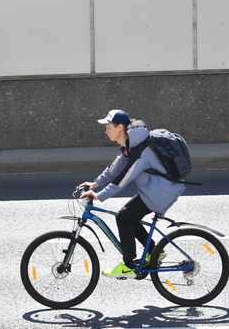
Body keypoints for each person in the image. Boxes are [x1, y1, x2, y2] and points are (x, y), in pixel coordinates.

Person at [78, 110, 185, 278]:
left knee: (123, 217)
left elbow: (122, 179)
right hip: (154, 189)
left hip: (161, 192)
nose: (105, 132)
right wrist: (95, 184)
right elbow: (114, 169)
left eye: (108, 128)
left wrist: (99, 195)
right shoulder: (130, 146)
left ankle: (128, 264)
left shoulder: (140, 152)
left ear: (120, 127)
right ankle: (154, 252)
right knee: (128, 216)